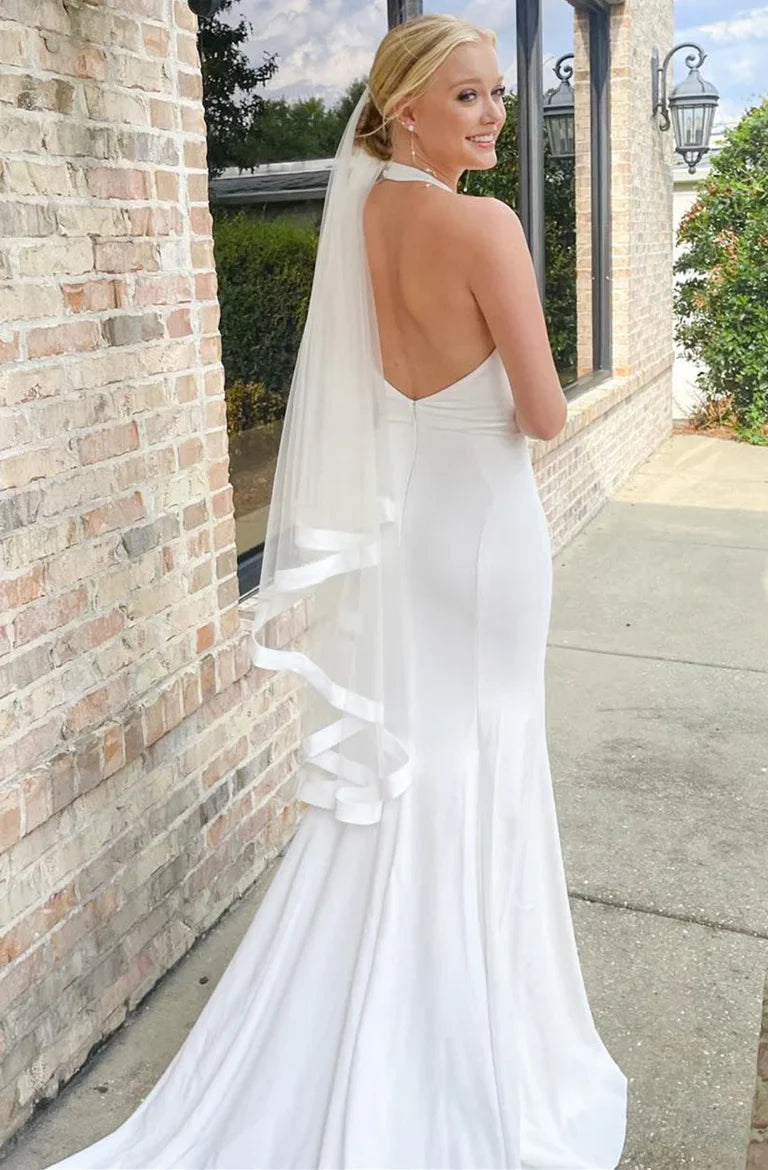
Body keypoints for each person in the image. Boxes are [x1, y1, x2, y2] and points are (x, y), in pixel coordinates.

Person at [45, 13, 628, 1170]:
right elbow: (545, 414)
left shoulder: (360, 219)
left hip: (412, 536)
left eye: (496, 93)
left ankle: (383, 1006)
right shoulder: (486, 225)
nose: (494, 114)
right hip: (487, 535)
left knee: (420, 759)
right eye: (467, 96)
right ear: (402, 109)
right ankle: (468, 1044)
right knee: (485, 758)